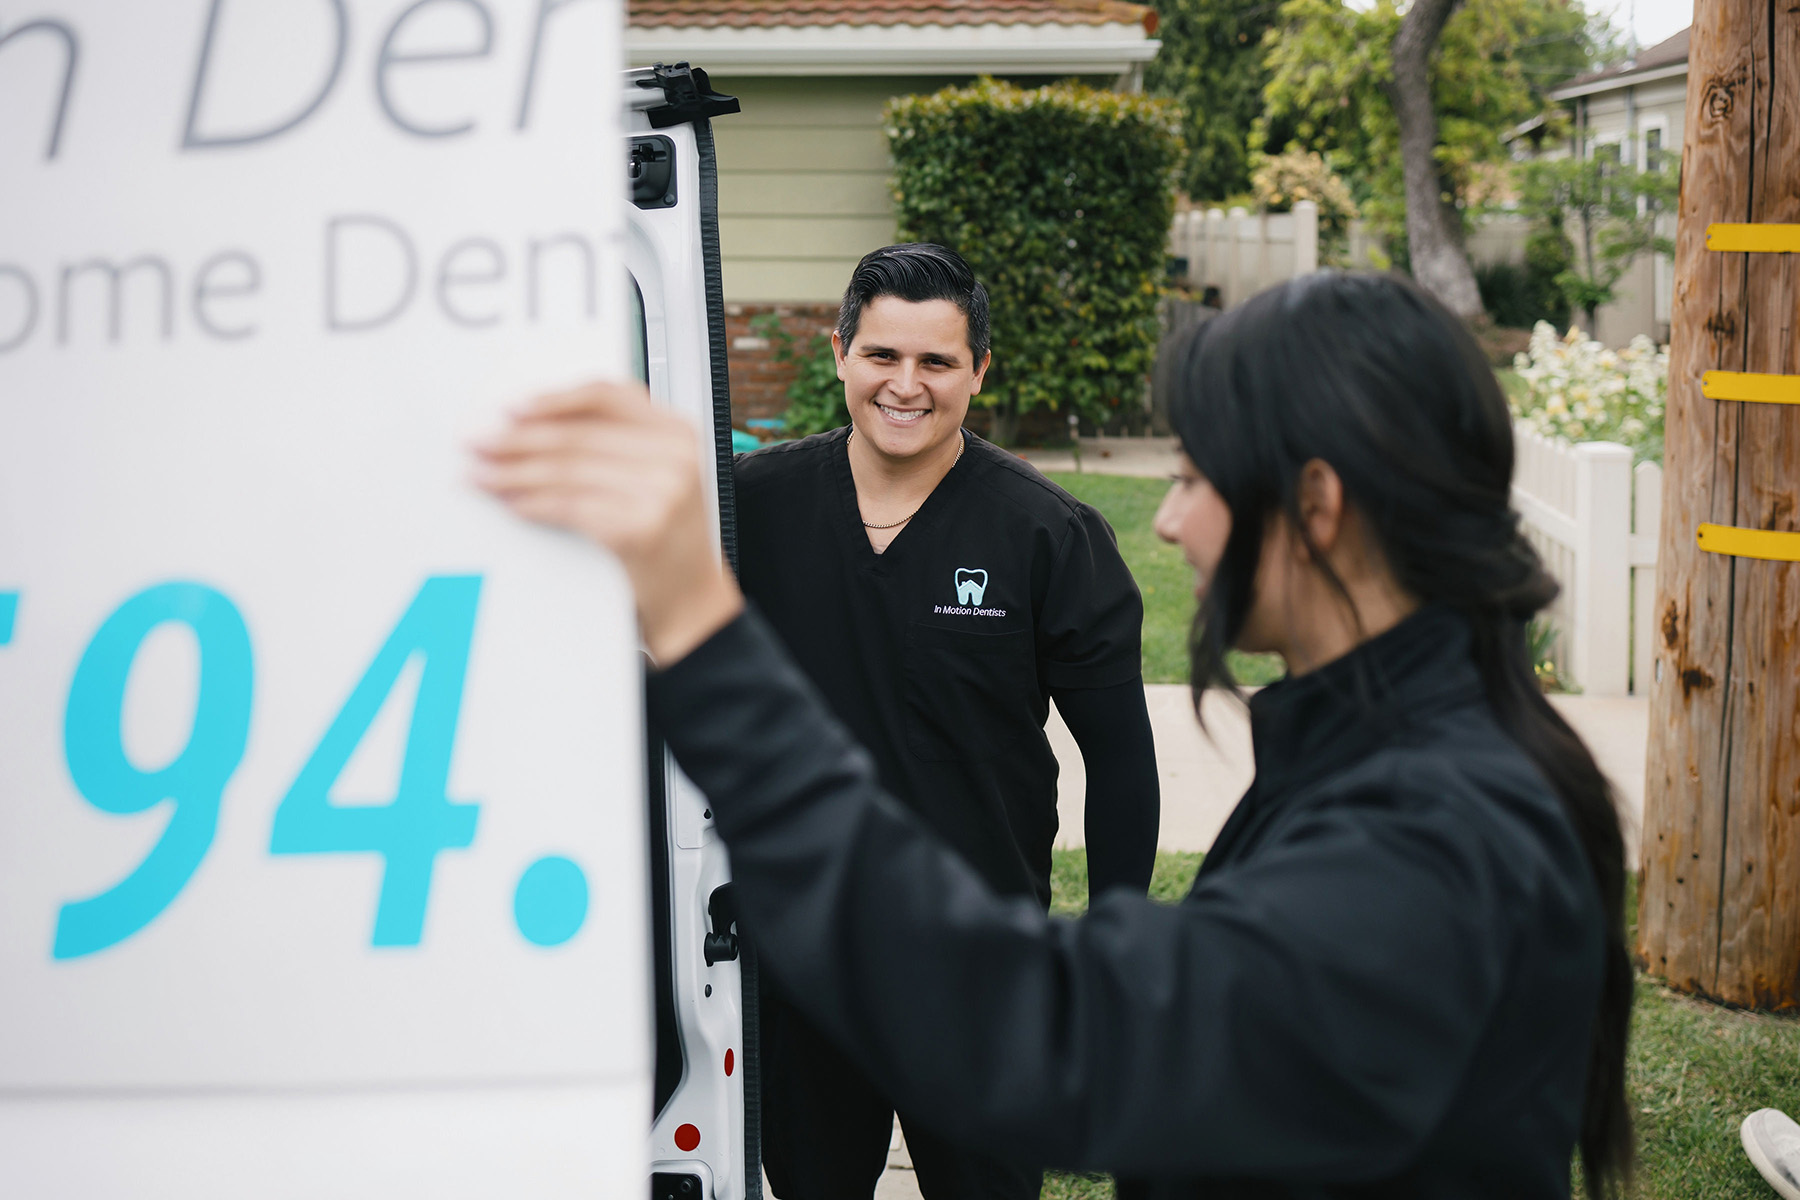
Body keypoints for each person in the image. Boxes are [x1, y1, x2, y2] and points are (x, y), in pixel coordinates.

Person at [473, 271, 1635, 1198]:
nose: (1169, 521)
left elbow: (1058, 1044)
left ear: (1317, 506)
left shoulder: (1433, 834)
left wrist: (699, 631)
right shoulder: (1400, 757)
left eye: (1195, 476)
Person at [731, 243, 1160, 1200]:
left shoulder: (1049, 534)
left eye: (937, 361)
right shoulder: (751, 509)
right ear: (840, 353)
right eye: (882, 355)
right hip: (804, 958)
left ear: (979, 372)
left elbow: (1122, 764)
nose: (905, 385)